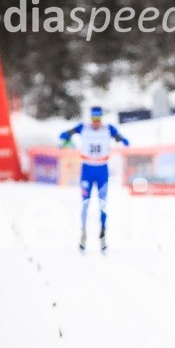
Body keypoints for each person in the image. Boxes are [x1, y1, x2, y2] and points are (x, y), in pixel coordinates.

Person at [59, 106, 129, 251]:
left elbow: (125, 141)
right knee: (85, 203)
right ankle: (83, 234)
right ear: (90, 118)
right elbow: (63, 135)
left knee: (102, 204)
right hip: (87, 170)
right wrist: (66, 139)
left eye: (98, 119)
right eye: (93, 119)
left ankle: (103, 234)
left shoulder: (108, 129)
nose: (95, 122)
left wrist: (121, 140)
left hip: (102, 170)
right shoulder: (82, 128)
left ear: (101, 118)